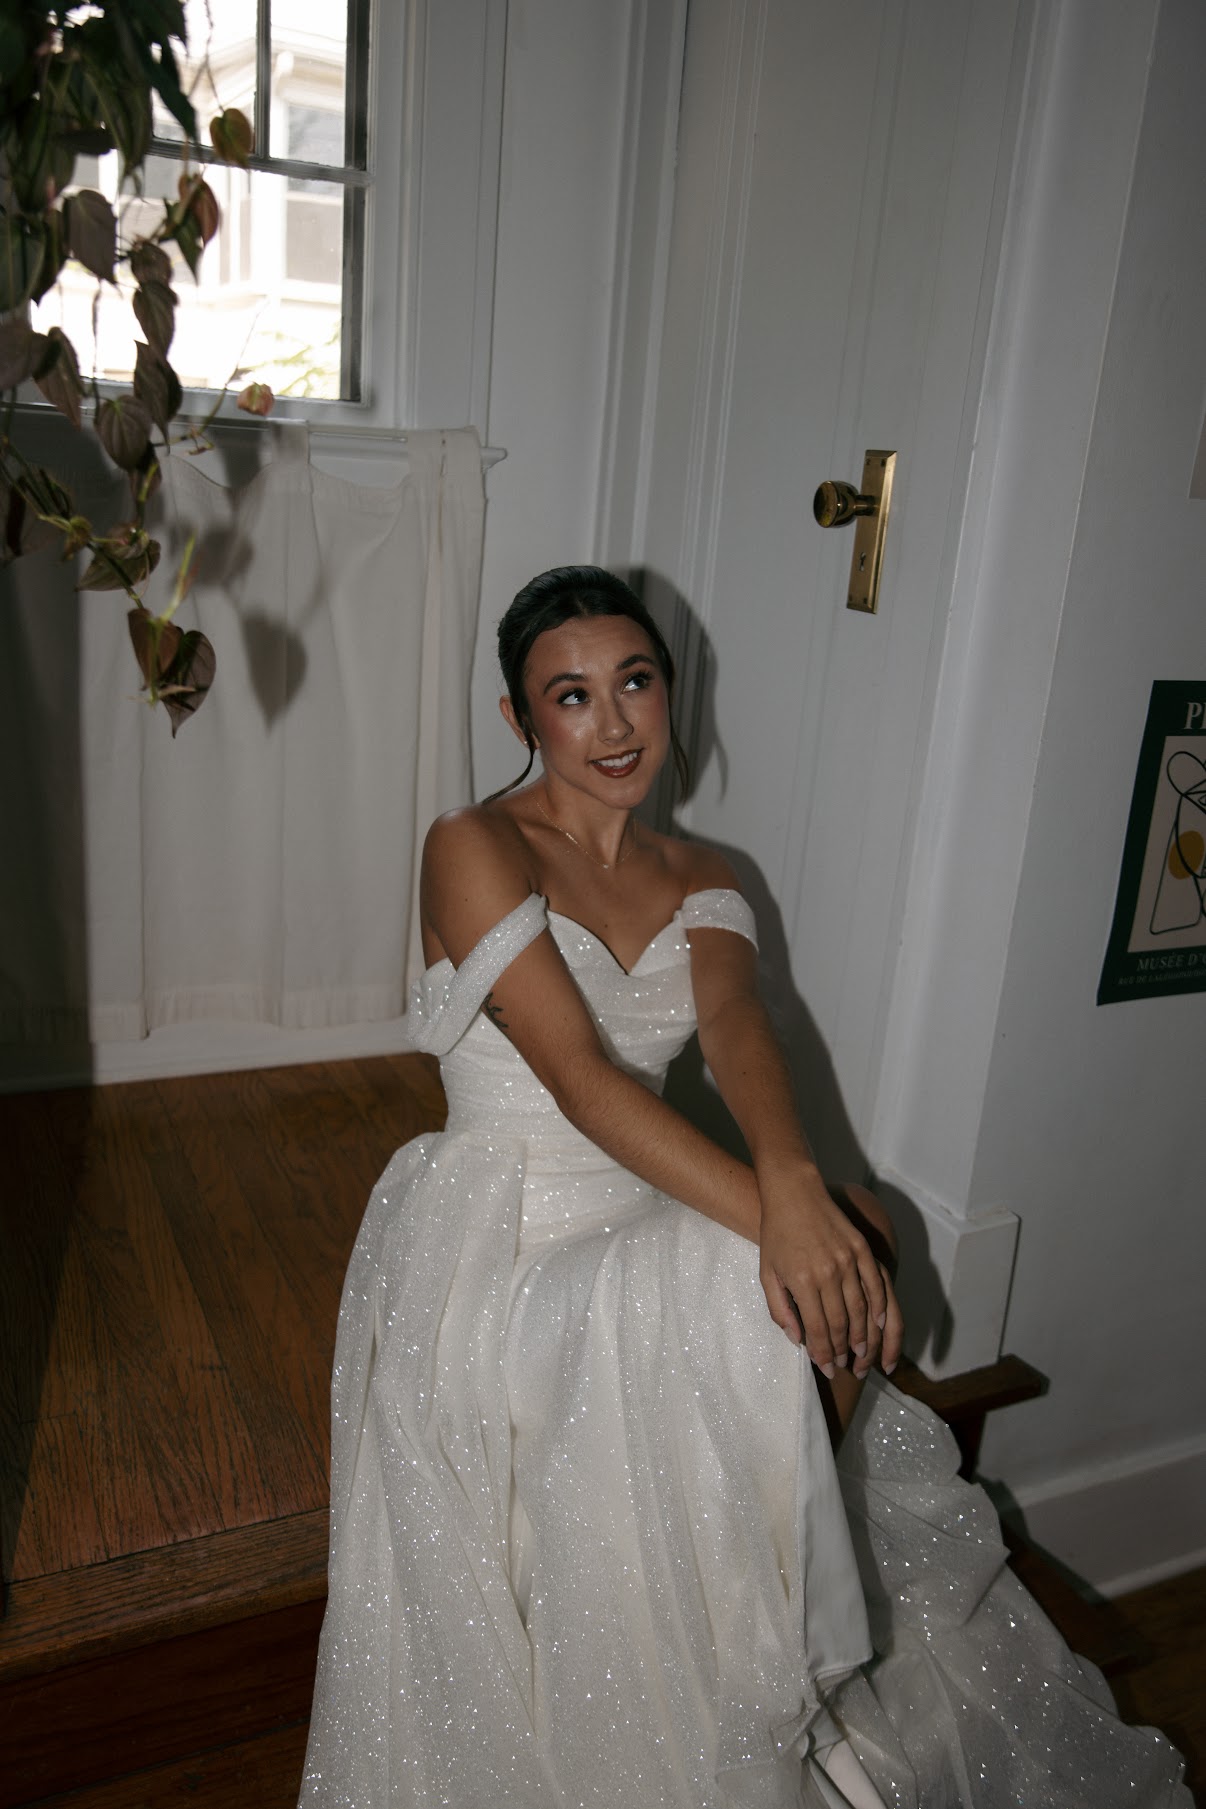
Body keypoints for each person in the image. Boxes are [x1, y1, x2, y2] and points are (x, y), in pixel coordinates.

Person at [301, 567, 1189, 1808]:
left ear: (669, 692)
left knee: (851, 1223)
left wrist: (800, 1187)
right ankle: (758, 1671)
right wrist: (779, 1220)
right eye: (572, 698)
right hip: (505, 1225)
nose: (614, 726)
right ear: (520, 720)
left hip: (639, 1202)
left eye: (635, 684)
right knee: (761, 1261)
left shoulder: (701, 867)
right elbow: (579, 1082)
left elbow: (736, 1030)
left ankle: (751, 1640)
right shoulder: (474, 843)